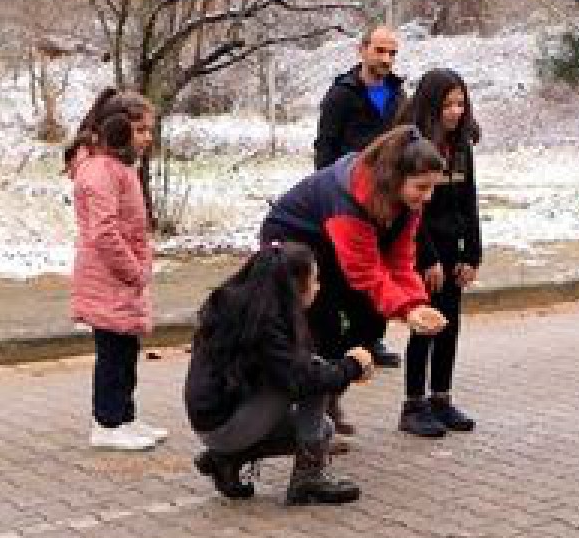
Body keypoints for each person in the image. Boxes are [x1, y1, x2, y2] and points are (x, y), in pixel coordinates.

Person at [261, 126, 450, 433]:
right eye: (421, 187)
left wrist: (414, 304)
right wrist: (405, 309)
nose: (428, 197)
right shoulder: (348, 201)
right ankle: (310, 426)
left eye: (432, 188)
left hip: (334, 248)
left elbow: (400, 261)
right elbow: (365, 273)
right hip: (296, 243)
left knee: (367, 322)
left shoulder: (405, 202)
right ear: (395, 178)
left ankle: (327, 401)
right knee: (320, 329)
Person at [185, 242, 374, 505]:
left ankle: (226, 460)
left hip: (218, 419)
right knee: (315, 373)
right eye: (315, 280)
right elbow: (304, 378)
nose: (318, 287)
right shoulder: (264, 326)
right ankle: (308, 479)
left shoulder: (245, 308)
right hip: (224, 424)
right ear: (294, 286)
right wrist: (352, 366)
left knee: (324, 428)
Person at [66, 88, 168, 450]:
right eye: (140, 130)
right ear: (118, 129)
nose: (147, 138)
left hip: (120, 277)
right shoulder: (99, 172)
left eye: (148, 130)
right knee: (112, 353)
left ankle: (124, 415)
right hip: (109, 276)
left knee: (126, 349)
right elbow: (104, 231)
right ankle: (107, 422)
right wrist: (132, 271)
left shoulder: (118, 168)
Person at [313, 25, 406, 369]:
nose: (386, 59)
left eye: (392, 53)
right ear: (362, 50)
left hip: (385, 196)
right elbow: (324, 146)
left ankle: (371, 337)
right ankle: (341, 339)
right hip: (346, 194)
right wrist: (326, 192)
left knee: (379, 266)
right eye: (380, 51)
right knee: (342, 270)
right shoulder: (341, 95)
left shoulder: (398, 96)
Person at [397, 69, 483, 438]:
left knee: (450, 324)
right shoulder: (414, 146)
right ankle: (413, 404)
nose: (455, 112)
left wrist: (472, 254)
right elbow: (414, 210)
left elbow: (469, 202)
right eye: (447, 104)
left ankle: (441, 397)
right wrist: (426, 258)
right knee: (426, 324)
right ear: (431, 106)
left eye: (460, 104)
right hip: (423, 250)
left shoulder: (461, 147)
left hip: (454, 250)